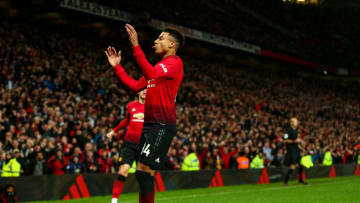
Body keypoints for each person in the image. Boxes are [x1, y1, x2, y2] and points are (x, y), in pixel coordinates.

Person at [105, 24, 184, 203]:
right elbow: (134, 86)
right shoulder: (159, 67)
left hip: (162, 125)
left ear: (172, 44)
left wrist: (135, 45)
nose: (155, 41)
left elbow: (151, 72)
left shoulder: (174, 63)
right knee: (142, 174)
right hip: (149, 126)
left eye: (161, 38)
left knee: (143, 172)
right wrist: (117, 67)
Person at [107, 90, 146, 203]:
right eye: (143, 89)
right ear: (138, 92)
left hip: (144, 145)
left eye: (147, 89)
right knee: (123, 170)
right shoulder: (131, 106)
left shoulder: (151, 107)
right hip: (129, 144)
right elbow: (126, 121)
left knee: (143, 176)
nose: (145, 91)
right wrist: (113, 131)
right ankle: (114, 200)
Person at [283, 118, 307, 185]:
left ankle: (300, 180)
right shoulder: (288, 131)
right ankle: (286, 181)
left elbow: (297, 141)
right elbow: (285, 140)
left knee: (301, 165)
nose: (297, 122)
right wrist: (294, 141)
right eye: (296, 121)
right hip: (291, 150)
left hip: (296, 149)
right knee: (293, 165)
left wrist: (302, 148)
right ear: (292, 123)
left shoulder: (296, 130)